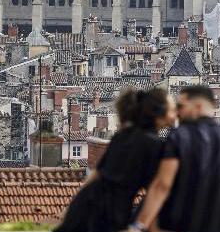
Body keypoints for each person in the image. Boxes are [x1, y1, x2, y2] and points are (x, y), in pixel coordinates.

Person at [127, 84, 220, 232]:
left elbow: (162, 185)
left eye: (181, 106)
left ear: (198, 107)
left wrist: (138, 226)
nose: (178, 112)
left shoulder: (178, 137)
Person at [55, 87, 176, 232]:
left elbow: (95, 175)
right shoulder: (154, 145)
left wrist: (71, 206)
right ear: (159, 113)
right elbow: (156, 191)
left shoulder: (123, 135)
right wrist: (139, 226)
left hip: (85, 204)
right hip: (110, 214)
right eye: (172, 109)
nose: (176, 113)